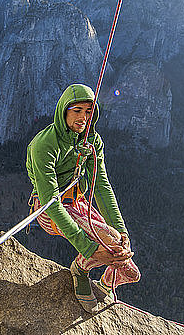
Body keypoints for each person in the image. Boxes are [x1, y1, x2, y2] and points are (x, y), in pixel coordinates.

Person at [26, 83, 140, 313]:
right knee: (110, 241)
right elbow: (51, 201)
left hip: (78, 203)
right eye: (77, 110)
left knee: (130, 272)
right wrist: (88, 248)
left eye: (88, 112)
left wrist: (122, 230)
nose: (83, 118)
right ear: (63, 111)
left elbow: (101, 186)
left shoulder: (92, 141)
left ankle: (106, 286)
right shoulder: (44, 145)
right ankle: (80, 270)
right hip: (50, 210)